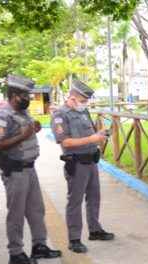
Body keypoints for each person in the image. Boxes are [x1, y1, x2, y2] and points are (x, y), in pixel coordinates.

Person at [0, 75, 61, 264]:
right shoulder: (2, 116)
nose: (27, 98)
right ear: (13, 96)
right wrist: (24, 135)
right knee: (16, 213)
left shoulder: (23, 112)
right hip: (15, 170)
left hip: (29, 168)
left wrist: (33, 128)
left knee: (36, 210)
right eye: (24, 95)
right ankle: (15, 252)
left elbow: (26, 132)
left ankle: (39, 245)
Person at [51, 80, 114, 254]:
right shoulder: (60, 115)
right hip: (76, 163)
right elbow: (65, 141)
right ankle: (74, 239)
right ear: (72, 98)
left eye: (86, 101)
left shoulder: (83, 111)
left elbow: (90, 133)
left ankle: (95, 230)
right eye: (83, 100)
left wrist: (100, 135)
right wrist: (92, 140)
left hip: (91, 161)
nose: (85, 104)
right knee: (75, 201)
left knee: (94, 197)